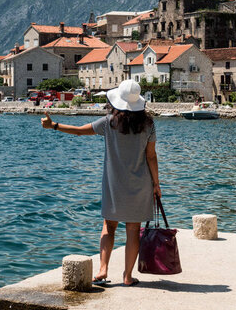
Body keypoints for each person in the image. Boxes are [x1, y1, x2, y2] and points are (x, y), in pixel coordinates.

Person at [41, 79, 160, 287]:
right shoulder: (148, 125)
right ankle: (128, 277)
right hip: (141, 184)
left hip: (114, 184)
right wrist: (157, 184)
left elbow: (79, 131)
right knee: (133, 230)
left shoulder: (109, 123)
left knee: (109, 226)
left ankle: (103, 269)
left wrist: (54, 126)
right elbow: (151, 156)